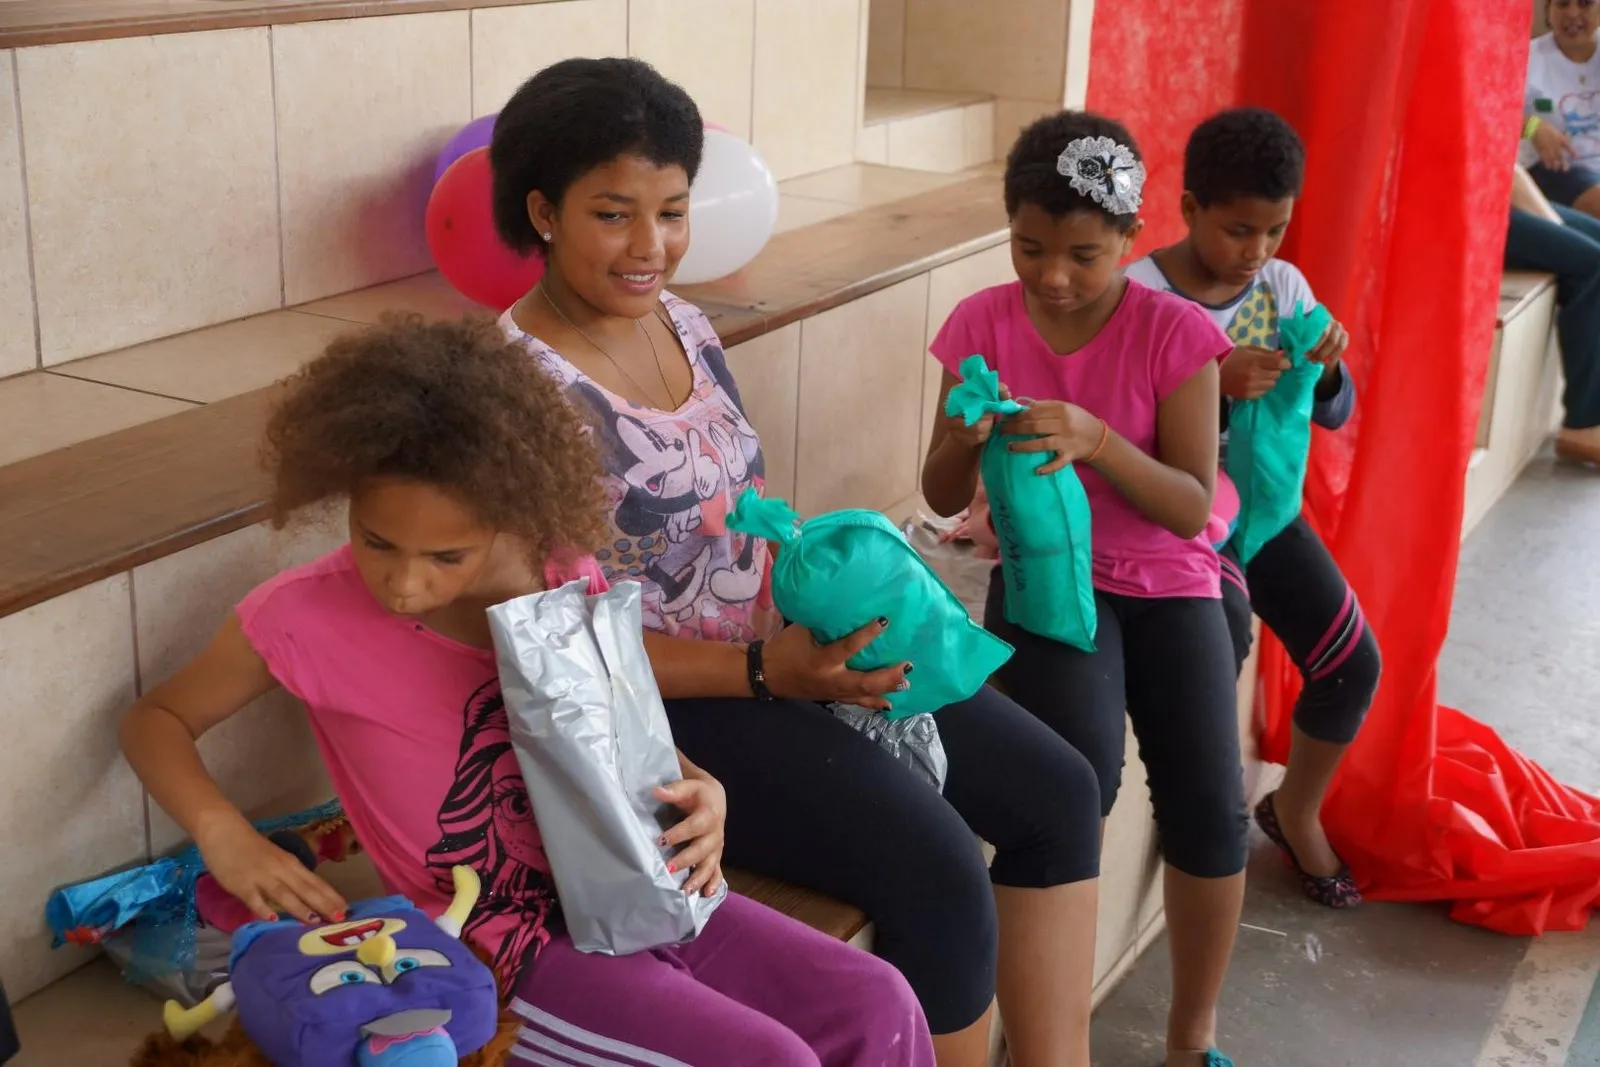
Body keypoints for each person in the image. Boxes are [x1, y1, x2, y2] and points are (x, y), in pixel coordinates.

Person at [490, 57, 1103, 1067]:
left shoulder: (682, 321)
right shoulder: (516, 393)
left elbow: (732, 519)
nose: (650, 246)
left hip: (787, 651)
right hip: (674, 711)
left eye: (672, 211)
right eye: (612, 214)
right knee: (940, 870)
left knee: (1059, 792)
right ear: (542, 211)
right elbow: (560, 647)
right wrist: (769, 672)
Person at [117, 316, 935, 1067]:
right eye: (376, 541)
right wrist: (223, 831)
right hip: (496, 948)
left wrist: (700, 786)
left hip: (638, 882)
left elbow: (623, 732)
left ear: (508, 515)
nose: (404, 582)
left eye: (447, 555)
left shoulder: (557, 574)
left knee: (879, 1000)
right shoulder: (300, 616)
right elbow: (156, 719)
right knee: (772, 1059)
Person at [922, 110, 1242, 1067]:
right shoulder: (981, 322)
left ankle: (1192, 1034)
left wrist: (1098, 440)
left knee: (1208, 803)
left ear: (1131, 239)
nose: (1053, 276)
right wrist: (963, 438)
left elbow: (1191, 506)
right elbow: (939, 492)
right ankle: (1044, 1037)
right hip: (1042, 578)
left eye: (1083, 255)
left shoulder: (1175, 332)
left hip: (1170, 581)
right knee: (1076, 777)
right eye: (1030, 248)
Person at [1122, 107, 1383, 909]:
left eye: (1275, 230)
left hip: (1263, 516)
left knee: (1353, 663)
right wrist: (1211, 381)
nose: (1257, 251)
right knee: (1218, 642)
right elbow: (1118, 429)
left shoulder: (1281, 287)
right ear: (1190, 208)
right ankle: (1199, 800)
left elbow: (1332, 412)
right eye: (1239, 230)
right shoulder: (1139, 295)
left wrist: (1327, 369)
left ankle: (1294, 807)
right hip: (1181, 525)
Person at [1506, 162, 1600, 466]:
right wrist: (1551, 224)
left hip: (1501, 185)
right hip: (1458, 204)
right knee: (1593, 267)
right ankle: (1584, 423)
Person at [1522, 0, 1600, 219]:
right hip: (1557, 169)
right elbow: (1489, 118)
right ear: (1548, 10)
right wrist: (1532, 126)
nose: (1573, 13)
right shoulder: (1526, 58)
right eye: (1563, 4)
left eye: (1585, 4)